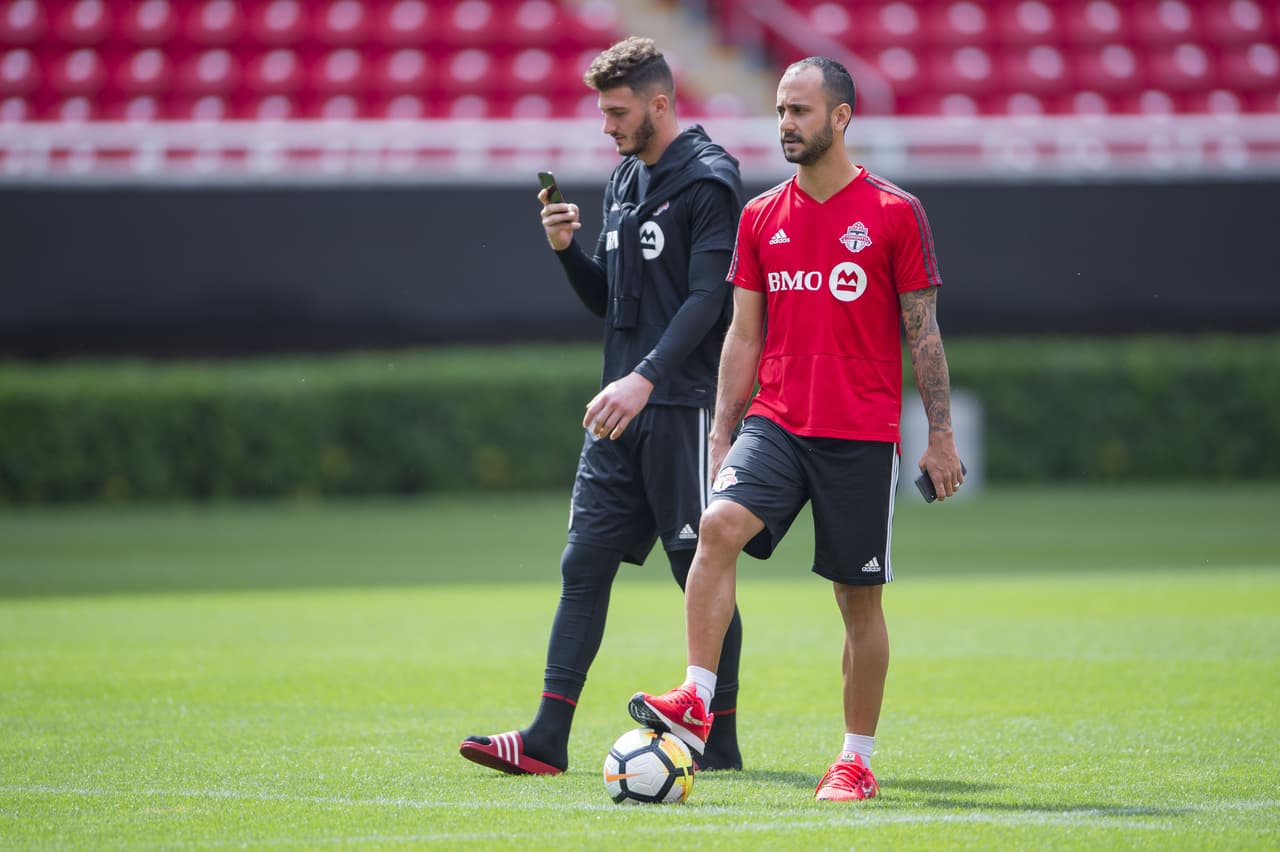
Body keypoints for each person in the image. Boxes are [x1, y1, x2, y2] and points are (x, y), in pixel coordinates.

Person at [627, 56, 964, 801]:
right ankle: (695, 697)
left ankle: (855, 759)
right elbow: (743, 337)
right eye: (780, 110)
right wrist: (722, 433)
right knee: (715, 527)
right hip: (777, 423)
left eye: (800, 112)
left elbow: (925, 334)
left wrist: (940, 434)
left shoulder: (894, 212)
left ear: (840, 118)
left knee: (857, 601)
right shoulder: (759, 218)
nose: (785, 124)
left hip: (860, 434)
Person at [459, 37, 747, 775]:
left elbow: (707, 299)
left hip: (681, 404)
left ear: (659, 104)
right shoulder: (623, 180)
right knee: (581, 564)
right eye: (603, 113)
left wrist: (647, 376)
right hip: (622, 405)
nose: (607, 126)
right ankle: (548, 738)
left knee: (699, 571)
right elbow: (612, 307)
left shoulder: (711, 181)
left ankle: (718, 738)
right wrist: (568, 255)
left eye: (618, 112)